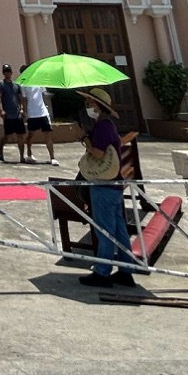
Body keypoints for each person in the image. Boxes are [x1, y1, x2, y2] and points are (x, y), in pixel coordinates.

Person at [75, 86, 137, 287]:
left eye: (90, 102)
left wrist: (85, 139)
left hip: (103, 186)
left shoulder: (102, 127)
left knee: (104, 231)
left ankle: (102, 272)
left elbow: (98, 153)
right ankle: (126, 270)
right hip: (114, 185)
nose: (87, 106)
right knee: (119, 230)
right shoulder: (107, 126)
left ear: (99, 106)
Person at [21, 75, 59, 165]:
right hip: (32, 114)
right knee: (30, 135)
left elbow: (43, 95)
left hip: (43, 113)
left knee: (48, 135)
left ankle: (52, 158)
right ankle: (29, 154)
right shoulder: (23, 85)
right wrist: (25, 112)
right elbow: (24, 99)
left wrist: (46, 106)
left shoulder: (39, 82)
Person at [0, 66, 28, 164]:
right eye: (5, 71)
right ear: (3, 73)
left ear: (11, 72)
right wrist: (1, 110)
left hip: (17, 114)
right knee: (7, 135)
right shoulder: (1, 84)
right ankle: (0, 148)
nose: (7, 73)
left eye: (8, 71)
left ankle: (22, 156)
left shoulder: (16, 85)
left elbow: (20, 98)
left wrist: (22, 109)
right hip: (8, 114)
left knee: (21, 135)